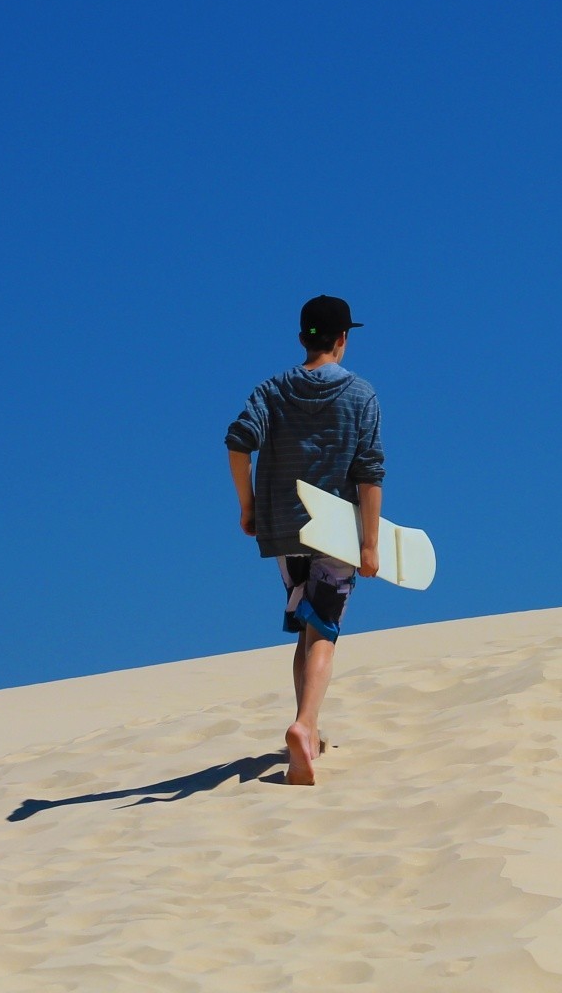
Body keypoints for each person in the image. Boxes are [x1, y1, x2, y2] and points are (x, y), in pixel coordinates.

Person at [225, 295, 384, 785]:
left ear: (302, 339)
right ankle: (304, 724)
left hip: (286, 528)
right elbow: (369, 473)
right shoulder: (361, 395)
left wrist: (248, 505)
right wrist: (370, 544)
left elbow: (237, 440)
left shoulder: (272, 390)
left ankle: (307, 737)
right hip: (335, 532)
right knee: (325, 634)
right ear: (342, 339)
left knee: (305, 623)